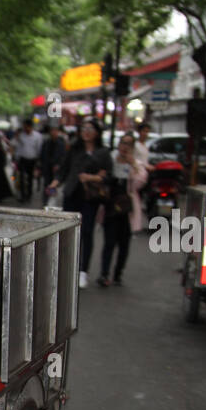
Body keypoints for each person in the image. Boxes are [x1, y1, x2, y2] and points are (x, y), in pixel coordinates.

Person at [48, 118, 111, 288]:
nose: (86, 131)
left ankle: (83, 271)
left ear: (97, 132)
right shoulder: (74, 149)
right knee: (68, 232)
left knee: (87, 232)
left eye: (90, 128)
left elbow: (107, 176)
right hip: (72, 193)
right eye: (84, 128)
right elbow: (64, 170)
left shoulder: (103, 152)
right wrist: (55, 183)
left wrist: (92, 177)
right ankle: (67, 269)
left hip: (90, 197)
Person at [96, 133, 147, 287]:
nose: (124, 147)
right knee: (109, 242)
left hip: (127, 209)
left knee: (124, 244)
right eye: (122, 143)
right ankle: (104, 274)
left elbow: (141, 182)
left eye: (128, 144)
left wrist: (134, 166)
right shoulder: (110, 160)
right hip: (110, 207)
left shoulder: (136, 164)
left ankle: (118, 273)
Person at [12, 119, 44, 200]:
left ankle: (29, 194)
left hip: (32, 160)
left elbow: (39, 148)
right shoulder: (21, 135)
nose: (25, 128)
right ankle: (23, 195)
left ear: (30, 127)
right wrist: (16, 158)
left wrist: (38, 160)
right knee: (21, 178)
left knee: (30, 178)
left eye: (27, 127)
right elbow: (18, 148)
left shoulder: (37, 136)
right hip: (22, 159)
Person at [39, 123, 67, 203]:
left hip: (56, 169)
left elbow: (63, 156)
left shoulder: (61, 143)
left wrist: (59, 165)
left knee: (54, 185)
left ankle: (51, 201)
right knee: (46, 184)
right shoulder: (46, 142)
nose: (53, 132)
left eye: (55, 131)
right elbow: (42, 155)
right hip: (47, 168)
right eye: (52, 130)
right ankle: (46, 201)